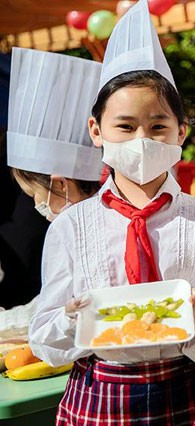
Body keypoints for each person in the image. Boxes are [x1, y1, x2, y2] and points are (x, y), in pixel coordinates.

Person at [28, 1, 195, 424]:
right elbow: (43, 338)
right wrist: (73, 320)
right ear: (96, 130)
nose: (142, 138)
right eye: (125, 126)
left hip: (189, 388)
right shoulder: (71, 225)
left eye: (158, 126)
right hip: (99, 391)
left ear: (181, 131)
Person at [2, 47, 103, 335]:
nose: (37, 207)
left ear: (60, 184)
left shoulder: (75, 231)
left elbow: (55, 312)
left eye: (34, 196)